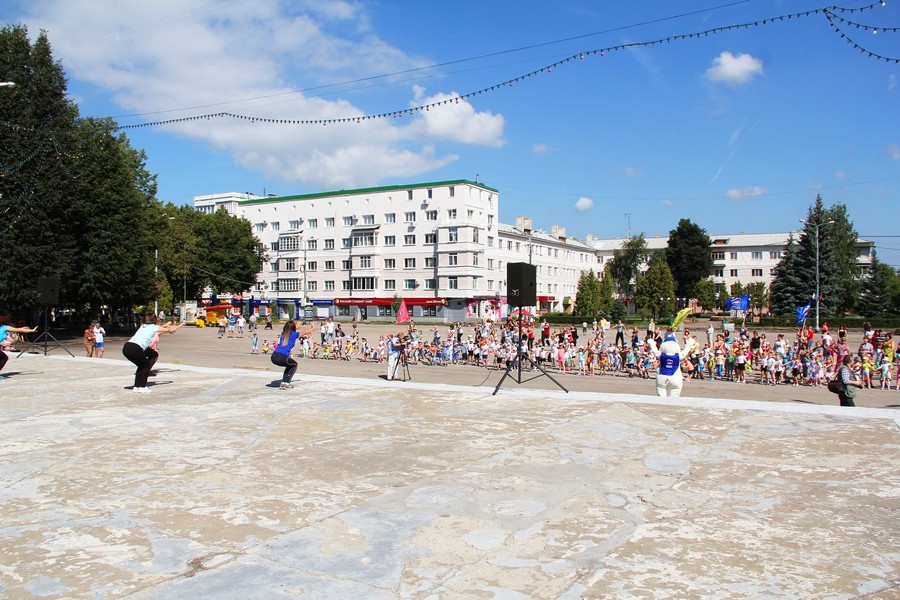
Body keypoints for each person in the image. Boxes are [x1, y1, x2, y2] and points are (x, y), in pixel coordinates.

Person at [122, 315, 182, 393]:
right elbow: (170, 330)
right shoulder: (154, 327)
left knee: (146, 361)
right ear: (155, 320)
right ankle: (142, 387)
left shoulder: (143, 326)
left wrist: (168, 325)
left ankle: (137, 386)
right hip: (136, 348)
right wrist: (176, 326)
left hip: (127, 346)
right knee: (146, 366)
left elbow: (164, 328)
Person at [270, 320, 314, 390]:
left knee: (289, 365)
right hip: (282, 356)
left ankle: (284, 382)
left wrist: (296, 325)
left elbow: (290, 330)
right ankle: (286, 383)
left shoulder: (283, 334)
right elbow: (304, 332)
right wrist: (312, 328)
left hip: (274, 356)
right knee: (294, 365)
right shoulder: (294, 334)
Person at [650, 329, 683, 396]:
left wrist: (652, 344)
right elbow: (686, 351)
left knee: (661, 391)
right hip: (675, 375)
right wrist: (689, 343)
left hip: (662, 374)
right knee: (675, 392)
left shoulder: (661, 355)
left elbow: (655, 351)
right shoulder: (678, 356)